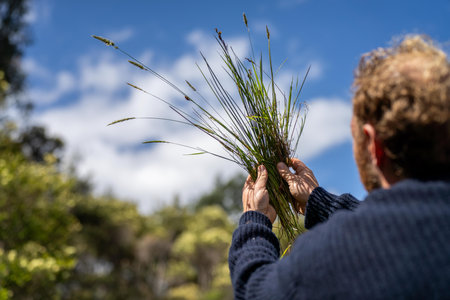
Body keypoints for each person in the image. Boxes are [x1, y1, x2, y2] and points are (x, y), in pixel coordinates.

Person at [228, 35, 450, 300]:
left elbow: (256, 291)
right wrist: (320, 202)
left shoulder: (334, 253)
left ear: (374, 145)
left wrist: (255, 222)